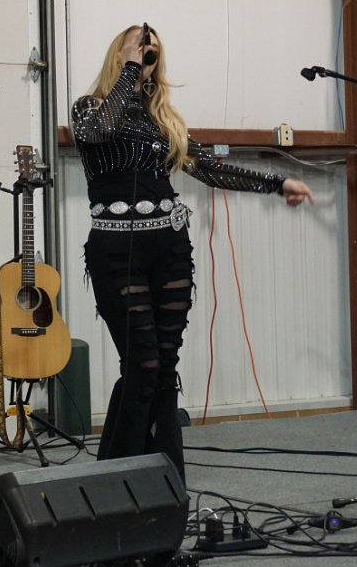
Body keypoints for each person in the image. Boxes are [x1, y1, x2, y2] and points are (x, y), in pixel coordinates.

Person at [71, 24, 313, 485]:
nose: (148, 61)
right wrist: (129, 69)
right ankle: (118, 481)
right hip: (117, 251)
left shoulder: (164, 120)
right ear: (120, 54)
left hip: (170, 248)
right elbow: (100, 132)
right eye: (140, 51)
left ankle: (166, 484)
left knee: (164, 367)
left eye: (153, 56)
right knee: (141, 364)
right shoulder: (89, 109)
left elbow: (210, 169)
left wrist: (277, 183)